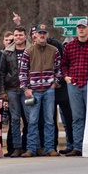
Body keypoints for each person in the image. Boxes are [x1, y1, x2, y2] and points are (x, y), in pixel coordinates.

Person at [61, 18, 88, 156]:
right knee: (77, 117)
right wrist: (66, 76)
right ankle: (77, 147)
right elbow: (64, 64)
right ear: (77, 30)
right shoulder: (70, 46)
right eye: (79, 27)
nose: (81, 30)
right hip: (74, 85)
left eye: (83, 27)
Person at [19, 24, 63, 157]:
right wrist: (26, 88)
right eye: (40, 33)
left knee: (49, 120)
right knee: (32, 120)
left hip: (49, 90)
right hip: (33, 91)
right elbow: (22, 72)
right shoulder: (29, 51)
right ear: (35, 35)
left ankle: (50, 148)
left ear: (47, 35)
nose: (42, 35)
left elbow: (59, 70)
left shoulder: (54, 50)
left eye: (44, 33)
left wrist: (55, 84)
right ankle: (31, 148)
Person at [0, 26, 29, 156]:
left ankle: (29, 146)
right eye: (16, 35)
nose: (18, 38)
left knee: (29, 119)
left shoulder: (31, 50)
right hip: (12, 90)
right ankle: (17, 147)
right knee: (14, 119)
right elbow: (2, 73)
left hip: (27, 90)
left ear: (25, 37)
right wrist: (2, 92)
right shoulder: (7, 53)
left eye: (20, 35)